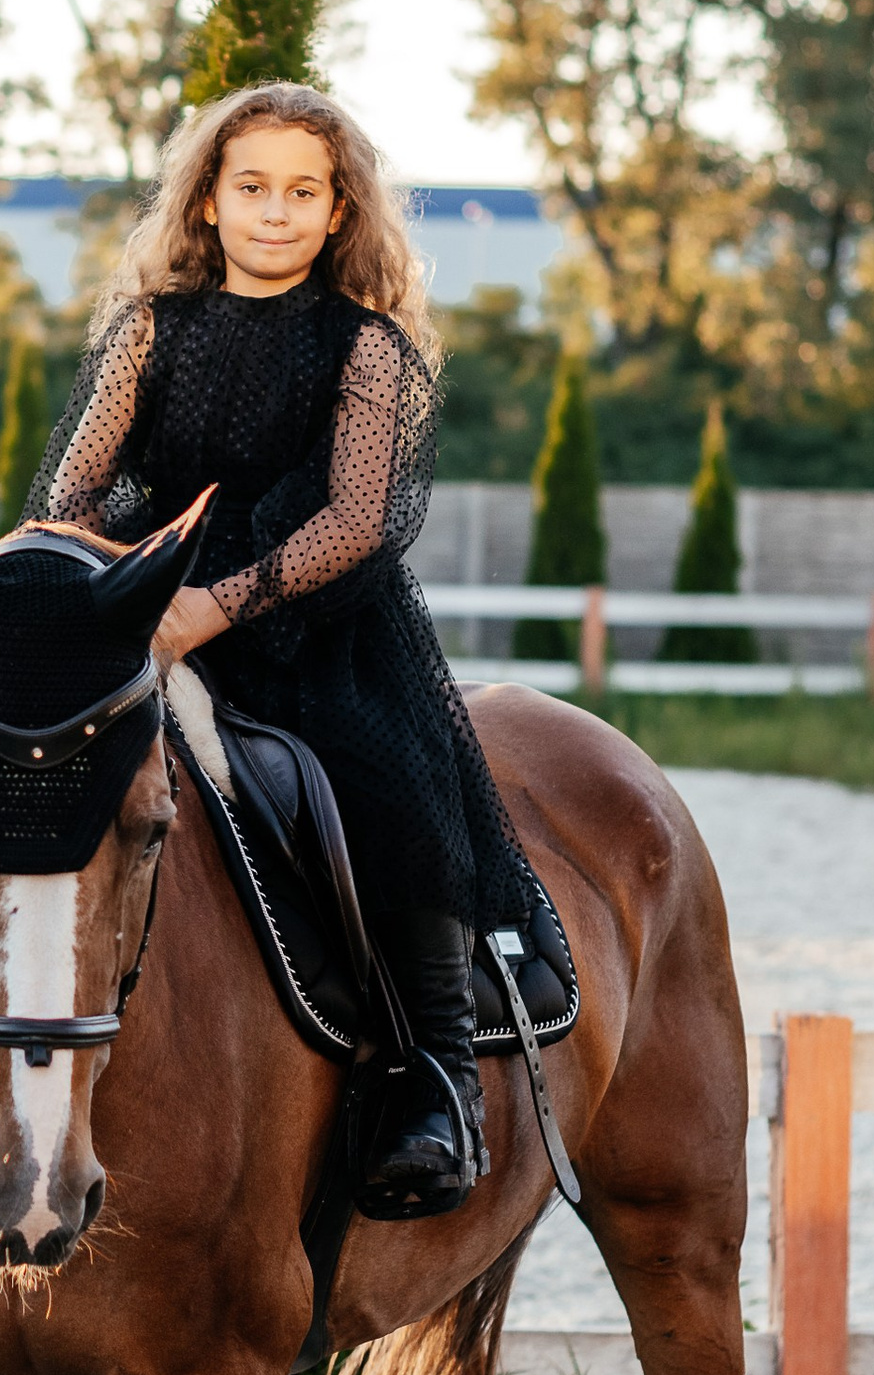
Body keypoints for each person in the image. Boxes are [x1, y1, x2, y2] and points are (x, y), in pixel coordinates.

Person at [27, 80, 543, 1216]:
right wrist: (81, 571)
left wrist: (215, 607)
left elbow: (359, 519)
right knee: (7, 756)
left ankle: (433, 1079)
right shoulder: (147, 330)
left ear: (340, 213)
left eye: (303, 192)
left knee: (392, 795)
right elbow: (76, 481)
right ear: (205, 201)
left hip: (323, 629)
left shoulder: (370, 349)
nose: (275, 211)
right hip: (154, 601)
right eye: (250, 186)